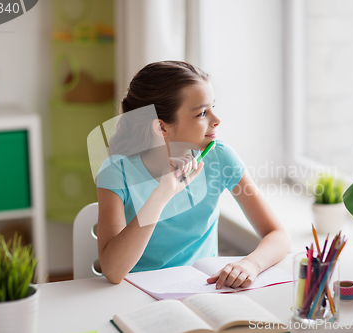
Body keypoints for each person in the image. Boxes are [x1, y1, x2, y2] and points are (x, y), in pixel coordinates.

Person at [96, 61, 291, 288]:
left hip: (202, 290)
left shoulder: (220, 158)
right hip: (136, 293)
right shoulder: (116, 172)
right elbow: (113, 271)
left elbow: (278, 235)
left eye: (213, 108)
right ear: (161, 128)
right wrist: (161, 195)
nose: (216, 120)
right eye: (201, 113)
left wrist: (251, 265)